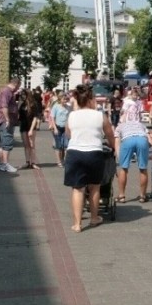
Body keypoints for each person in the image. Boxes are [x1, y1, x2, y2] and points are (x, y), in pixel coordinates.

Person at [63, 84, 115, 233]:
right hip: (94, 153)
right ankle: (94, 218)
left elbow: (68, 134)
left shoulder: (72, 115)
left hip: (75, 153)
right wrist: (113, 147)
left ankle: (77, 224)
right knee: (94, 187)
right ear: (91, 99)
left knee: (77, 189)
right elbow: (110, 134)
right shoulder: (100, 115)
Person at [0, 77, 21, 172]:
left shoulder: (6, 91)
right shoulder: (7, 92)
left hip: (2, 120)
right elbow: (4, 106)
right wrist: (8, 120)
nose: (18, 89)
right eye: (18, 87)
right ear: (16, 84)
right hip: (5, 120)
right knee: (7, 142)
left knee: (2, 143)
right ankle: (5, 164)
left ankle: (1, 164)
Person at [18, 89, 41, 169]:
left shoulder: (33, 104)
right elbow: (20, 117)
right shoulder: (22, 104)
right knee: (26, 145)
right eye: (21, 94)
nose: (22, 96)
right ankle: (27, 162)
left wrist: (31, 129)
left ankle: (33, 162)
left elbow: (35, 117)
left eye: (24, 94)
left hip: (31, 126)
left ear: (28, 95)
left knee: (32, 145)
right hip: (23, 126)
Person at [50, 93, 72, 167]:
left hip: (66, 128)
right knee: (58, 146)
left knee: (66, 145)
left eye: (66, 99)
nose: (65, 100)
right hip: (58, 127)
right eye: (64, 99)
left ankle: (65, 160)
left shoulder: (68, 107)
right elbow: (52, 118)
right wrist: (55, 128)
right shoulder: (56, 107)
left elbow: (70, 117)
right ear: (60, 99)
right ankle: (59, 161)